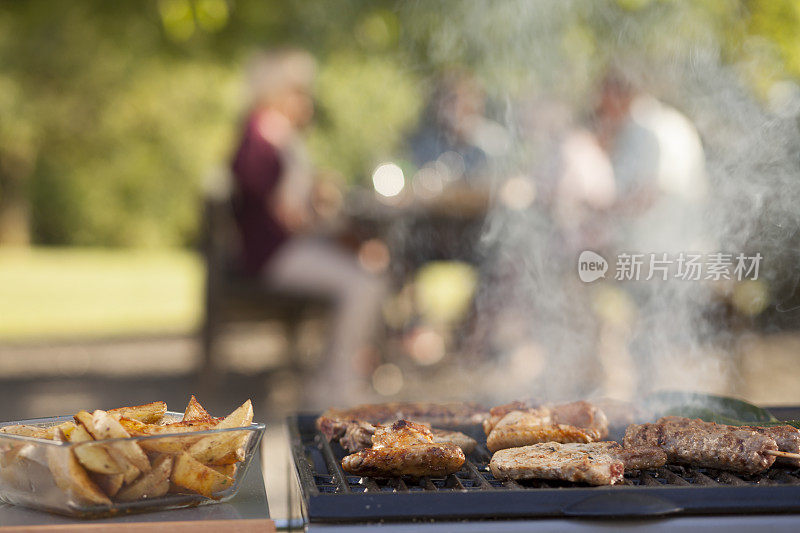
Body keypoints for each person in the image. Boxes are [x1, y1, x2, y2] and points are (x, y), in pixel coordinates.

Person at [230, 49, 385, 407]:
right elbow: (280, 214)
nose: (305, 99)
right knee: (363, 282)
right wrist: (325, 222)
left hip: (288, 249)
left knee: (367, 273)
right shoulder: (261, 136)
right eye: (299, 90)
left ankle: (334, 379)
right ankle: (336, 385)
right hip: (274, 256)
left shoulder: (277, 136)